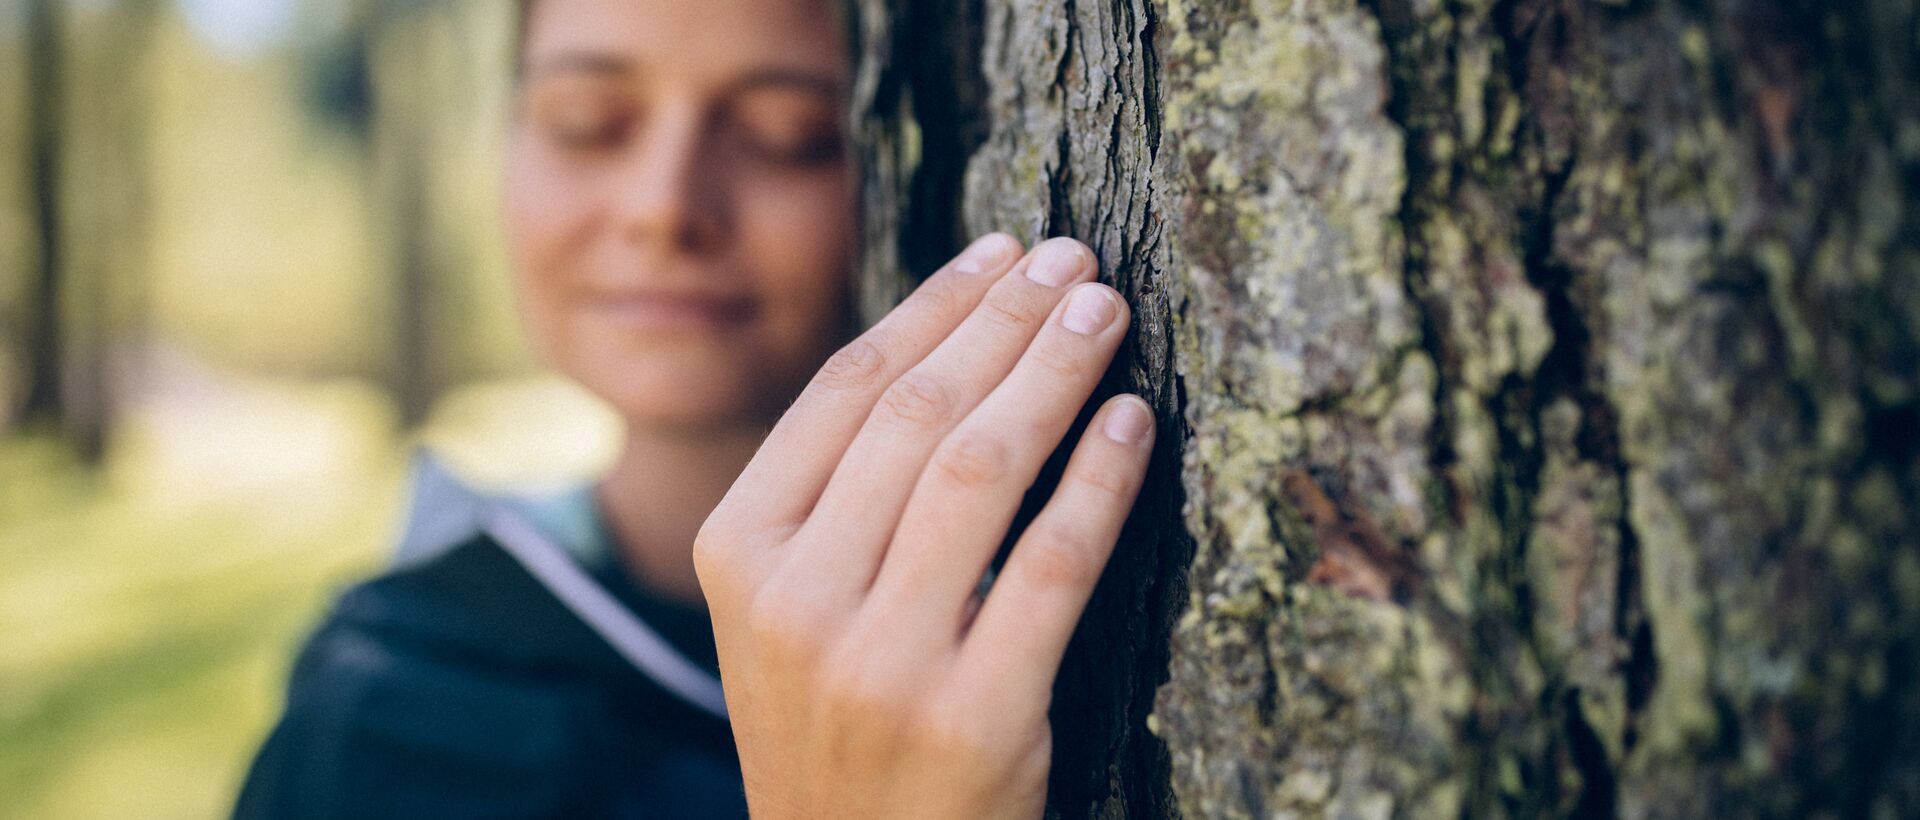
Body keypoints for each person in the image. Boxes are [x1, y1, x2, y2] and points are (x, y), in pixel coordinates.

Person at [235, 0, 1153, 817]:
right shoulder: (376, 719)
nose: (663, 206)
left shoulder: (1083, 648)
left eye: (788, 133)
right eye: (587, 123)